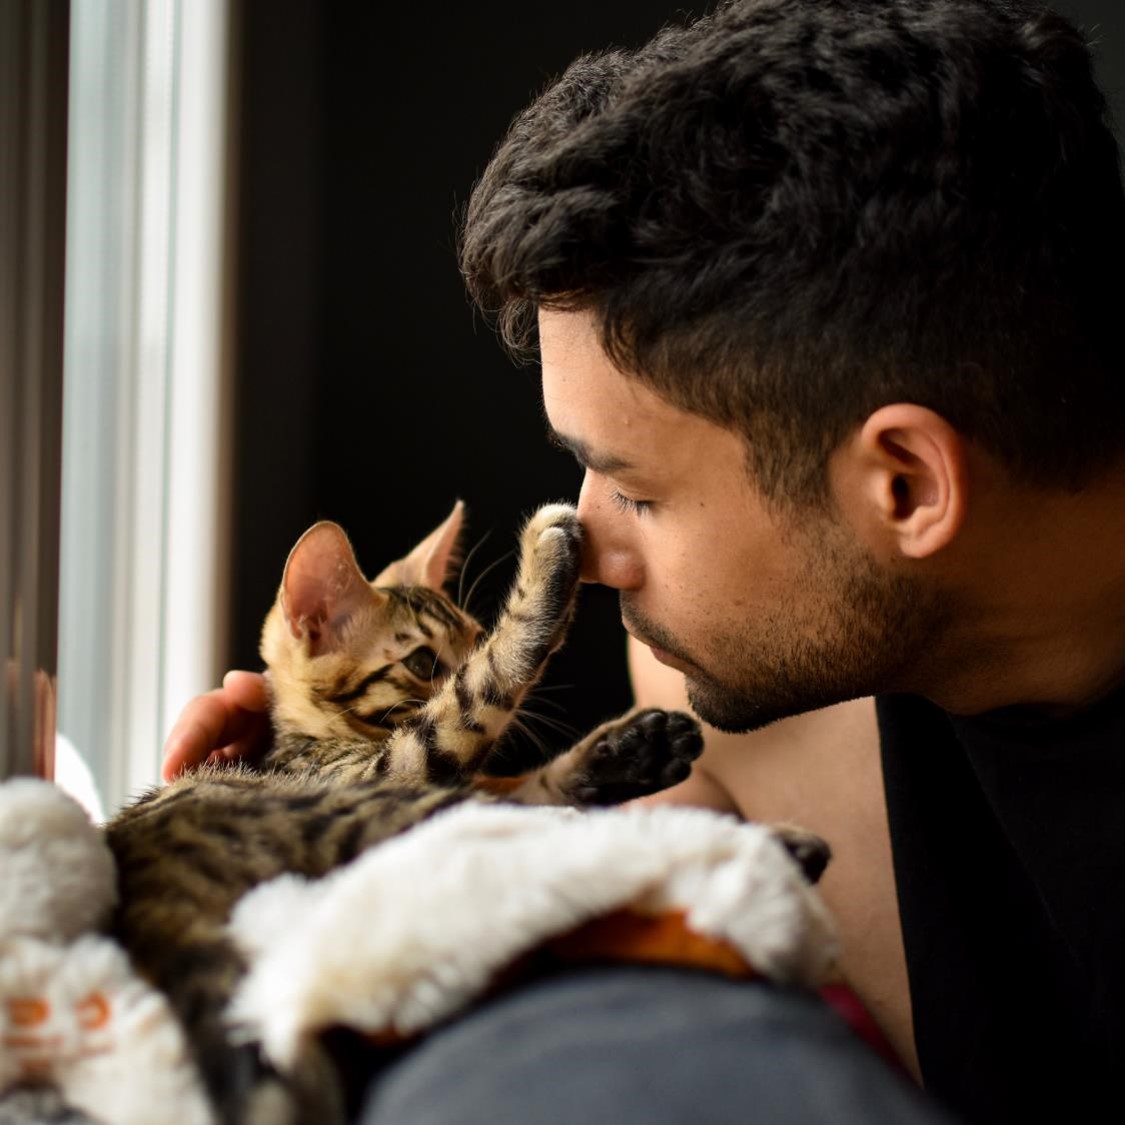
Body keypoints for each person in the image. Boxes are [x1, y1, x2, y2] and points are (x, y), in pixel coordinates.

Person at [164, 0, 1125, 1120]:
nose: (589, 553)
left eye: (634, 490)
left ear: (904, 485)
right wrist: (285, 842)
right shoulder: (735, 710)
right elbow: (539, 918)